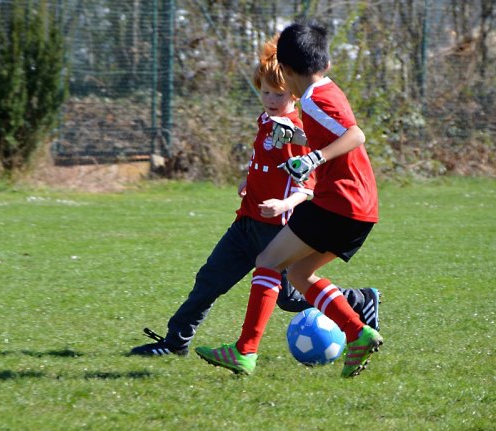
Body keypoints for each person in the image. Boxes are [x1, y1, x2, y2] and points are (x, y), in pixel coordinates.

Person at [130, 35, 379, 357]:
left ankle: (357, 302)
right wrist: (248, 181)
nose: (271, 99)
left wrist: (285, 203)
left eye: (278, 94)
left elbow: (311, 184)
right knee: (209, 280)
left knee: (289, 296)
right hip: (246, 221)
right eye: (264, 91)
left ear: (292, 89)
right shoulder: (267, 122)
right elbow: (265, 163)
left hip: (279, 227)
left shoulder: (305, 123)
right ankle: (175, 343)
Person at [195, 21, 383, 378]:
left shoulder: (313, 99)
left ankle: (245, 351)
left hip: (337, 202)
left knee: (267, 261)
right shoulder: (328, 89)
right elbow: (328, 131)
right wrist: (298, 136)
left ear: (284, 68)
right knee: (299, 273)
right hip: (361, 207)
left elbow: (355, 135)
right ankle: (358, 334)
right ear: (325, 63)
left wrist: (312, 158)